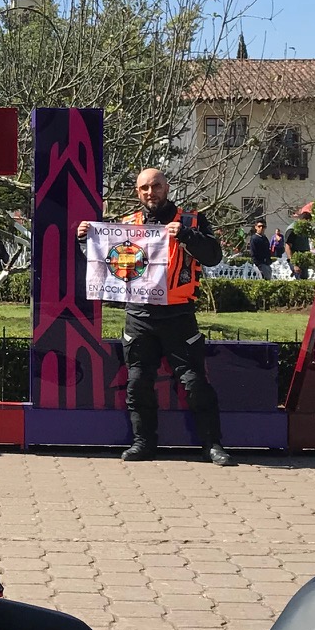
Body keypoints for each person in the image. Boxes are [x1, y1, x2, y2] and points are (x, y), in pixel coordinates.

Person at [76, 167, 232, 466]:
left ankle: (213, 445)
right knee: (137, 382)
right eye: (145, 188)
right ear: (138, 192)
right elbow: (106, 262)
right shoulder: (127, 224)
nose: (151, 192)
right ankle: (143, 443)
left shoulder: (191, 220)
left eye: (156, 186)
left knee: (195, 383)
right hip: (139, 315)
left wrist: (186, 235)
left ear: (167, 187)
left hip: (179, 315)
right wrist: (86, 239)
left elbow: (213, 256)